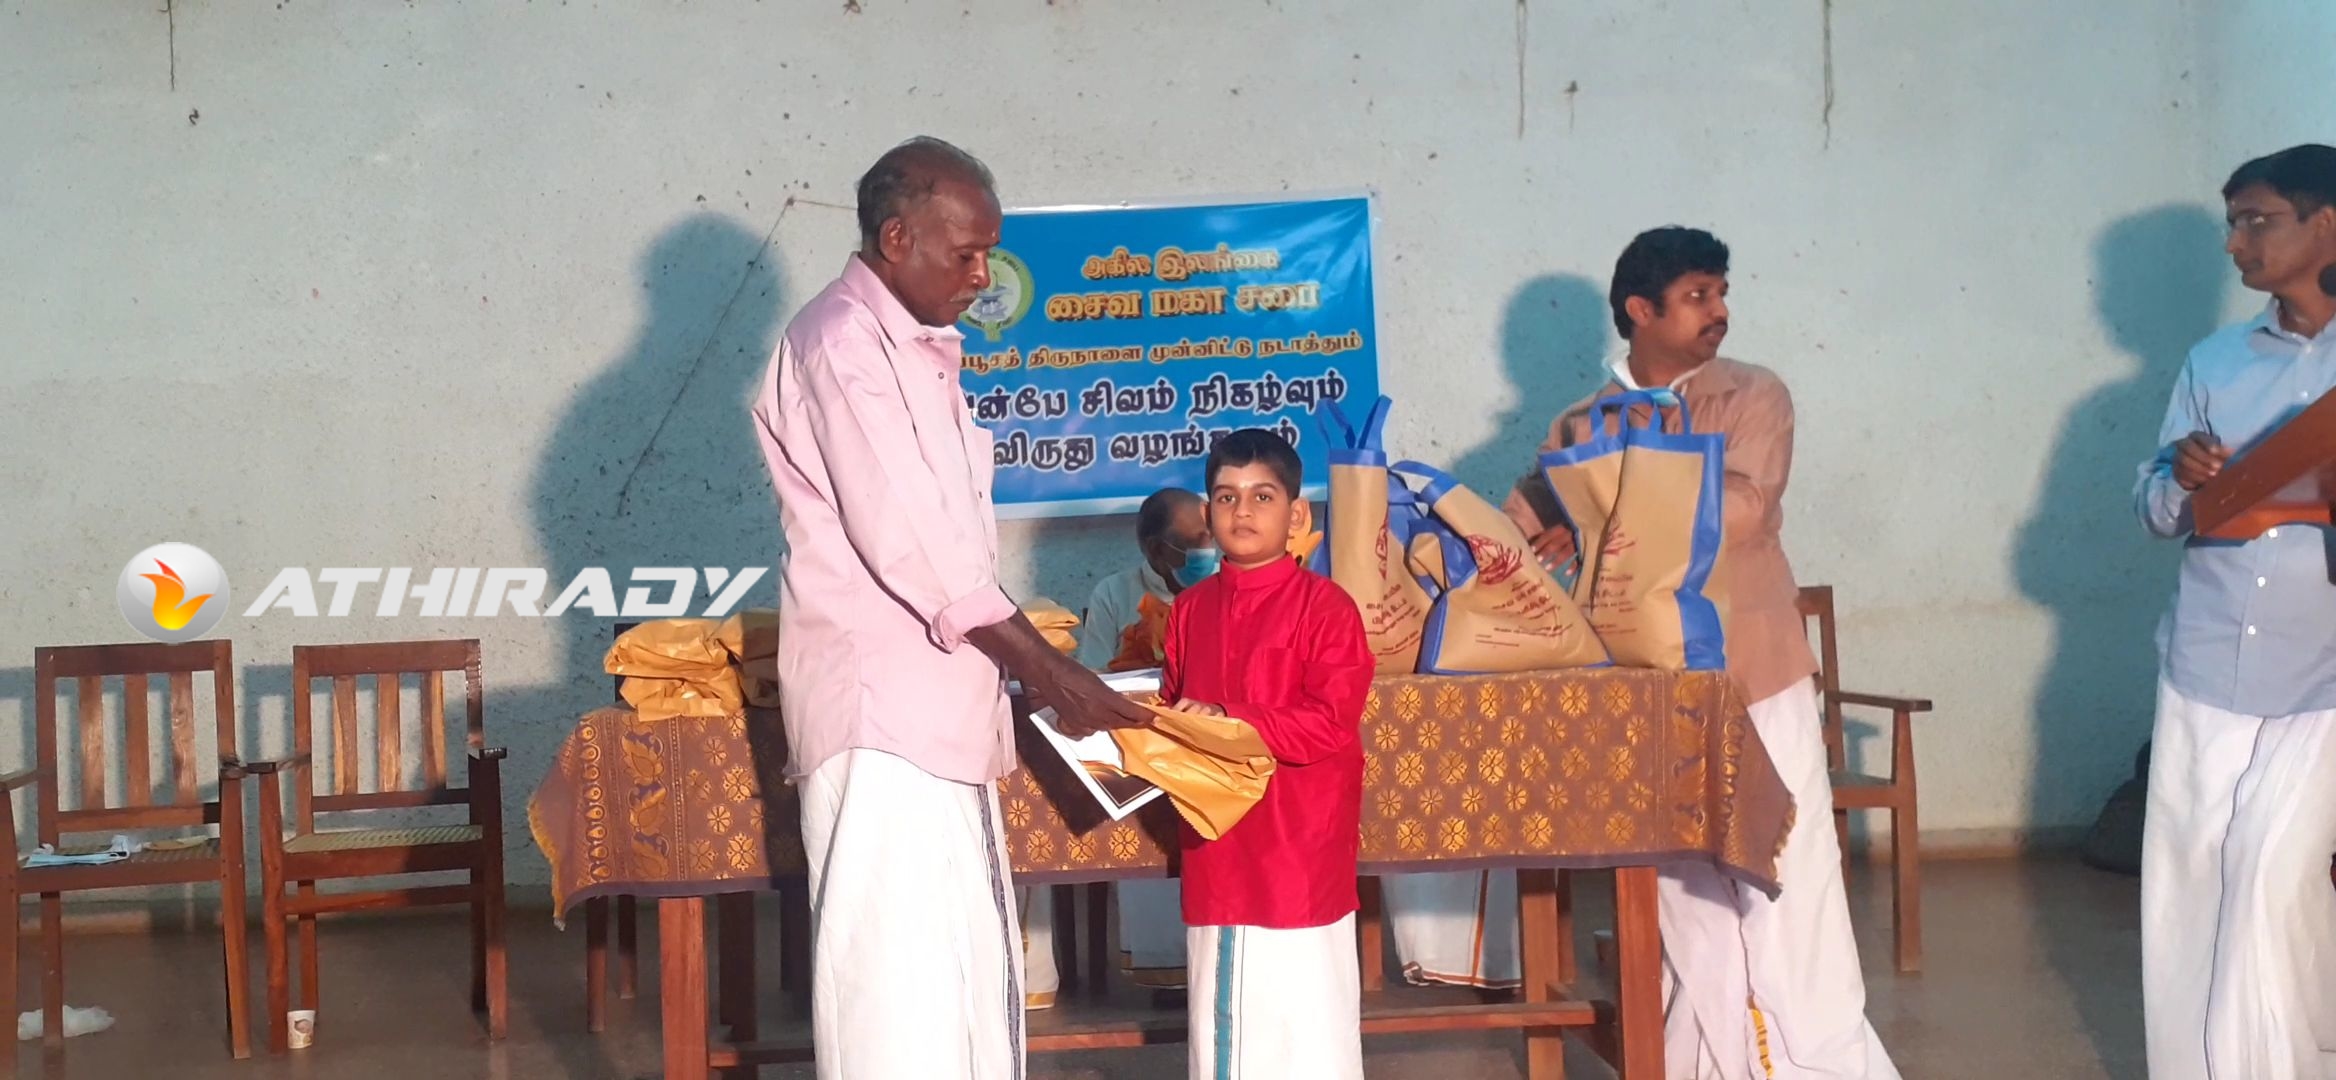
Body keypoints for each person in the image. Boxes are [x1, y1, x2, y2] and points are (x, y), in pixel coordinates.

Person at [749, 135, 1151, 1080]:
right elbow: (915, 540)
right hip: (882, 718)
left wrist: (1030, 675)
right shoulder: (843, 344)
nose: (982, 277)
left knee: (961, 976)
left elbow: (952, 545)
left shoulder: (914, 350)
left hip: (935, 716)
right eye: (966, 254)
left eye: (988, 256)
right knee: (895, 988)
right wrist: (1050, 672)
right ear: (897, 238)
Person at [1503, 227, 1899, 1079]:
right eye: (1697, 296)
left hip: (1755, 671)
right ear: (1641, 311)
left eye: (1720, 293)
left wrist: (1614, 499)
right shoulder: (1580, 423)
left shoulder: (1753, 396)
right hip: (1648, 688)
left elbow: (1747, 510)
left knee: (1787, 875)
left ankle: (1818, 1064)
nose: (1719, 310)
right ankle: (1707, 1064)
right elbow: (1524, 524)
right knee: (1685, 899)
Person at [2134, 143, 2336, 1080]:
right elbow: (2153, 508)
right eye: (2231, 223)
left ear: (2325, 225)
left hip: (2321, 673)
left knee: (2272, 877)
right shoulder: (2213, 361)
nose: (2235, 242)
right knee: (2190, 886)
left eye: (2258, 220)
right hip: (2207, 659)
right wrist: (2182, 477)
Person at [1160, 428, 1375, 1079]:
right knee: (1223, 1018)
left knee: (1309, 1017)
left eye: (1262, 496)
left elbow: (1330, 722)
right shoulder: (1189, 611)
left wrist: (1231, 720)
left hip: (1299, 843)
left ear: (1296, 514)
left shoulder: (1327, 607)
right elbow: (1172, 713)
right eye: (1227, 497)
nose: (1243, 511)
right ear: (1208, 514)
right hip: (1218, 844)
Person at [1023, 487, 1210, 1006]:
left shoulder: (1226, 589)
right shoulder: (1116, 592)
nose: (1208, 552)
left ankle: (1218, 958)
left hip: (1209, 739)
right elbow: (1095, 676)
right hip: (1140, 739)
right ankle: (1165, 969)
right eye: (1194, 544)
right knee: (1138, 802)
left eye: (1210, 538)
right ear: (1155, 549)